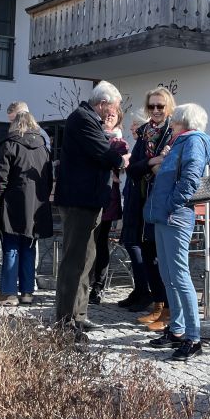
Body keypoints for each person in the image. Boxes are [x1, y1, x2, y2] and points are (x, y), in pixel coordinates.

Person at [53, 81, 129, 339]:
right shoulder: (83, 118)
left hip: (89, 200)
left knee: (86, 260)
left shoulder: (88, 119)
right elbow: (104, 153)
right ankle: (65, 321)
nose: (114, 112)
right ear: (103, 103)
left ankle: (79, 315)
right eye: (114, 107)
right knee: (74, 261)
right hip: (79, 201)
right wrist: (121, 160)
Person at [143, 103, 210, 362]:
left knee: (179, 275)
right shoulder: (180, 142)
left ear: (184, 121)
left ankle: (193, 338)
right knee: (168, 274)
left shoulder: (193, 141)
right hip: (165, 215)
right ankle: (177, 330)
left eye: (174, 118)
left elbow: (190, 179)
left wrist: (172, 204)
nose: (170, 121)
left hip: (175, 215)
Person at [120, 88, 176, 328]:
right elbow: (132, 168)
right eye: (151, 106)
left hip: (162, 201)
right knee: (147, 252)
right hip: (141, 200)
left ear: (169, 107)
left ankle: (168, 310)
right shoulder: (144, 133)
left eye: (160, 106)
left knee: (161, 257)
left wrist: (152, 165)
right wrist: (153, 161)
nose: (155, 110)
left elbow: (170, 168)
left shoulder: (173, 133)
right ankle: (158, 305)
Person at [0, 110, 53, 305]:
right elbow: (48, 178)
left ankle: (9, 292)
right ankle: (27, 292)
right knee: (29, 246)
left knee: (11, 246)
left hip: (14, 202)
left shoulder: (10, 143)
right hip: (36, 204)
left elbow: (1, 177)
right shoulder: (43, 147)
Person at [88, 107, 125, 304]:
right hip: (89, 195)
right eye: (107, 113)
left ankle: (98, 286)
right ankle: (84, 282)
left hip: (108, 197)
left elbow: (120, 166)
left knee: (101, 241)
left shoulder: (120, 143)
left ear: (118, 119)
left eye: (113, 114)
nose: (109, 116)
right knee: (87, 241)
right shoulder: (92, 135)